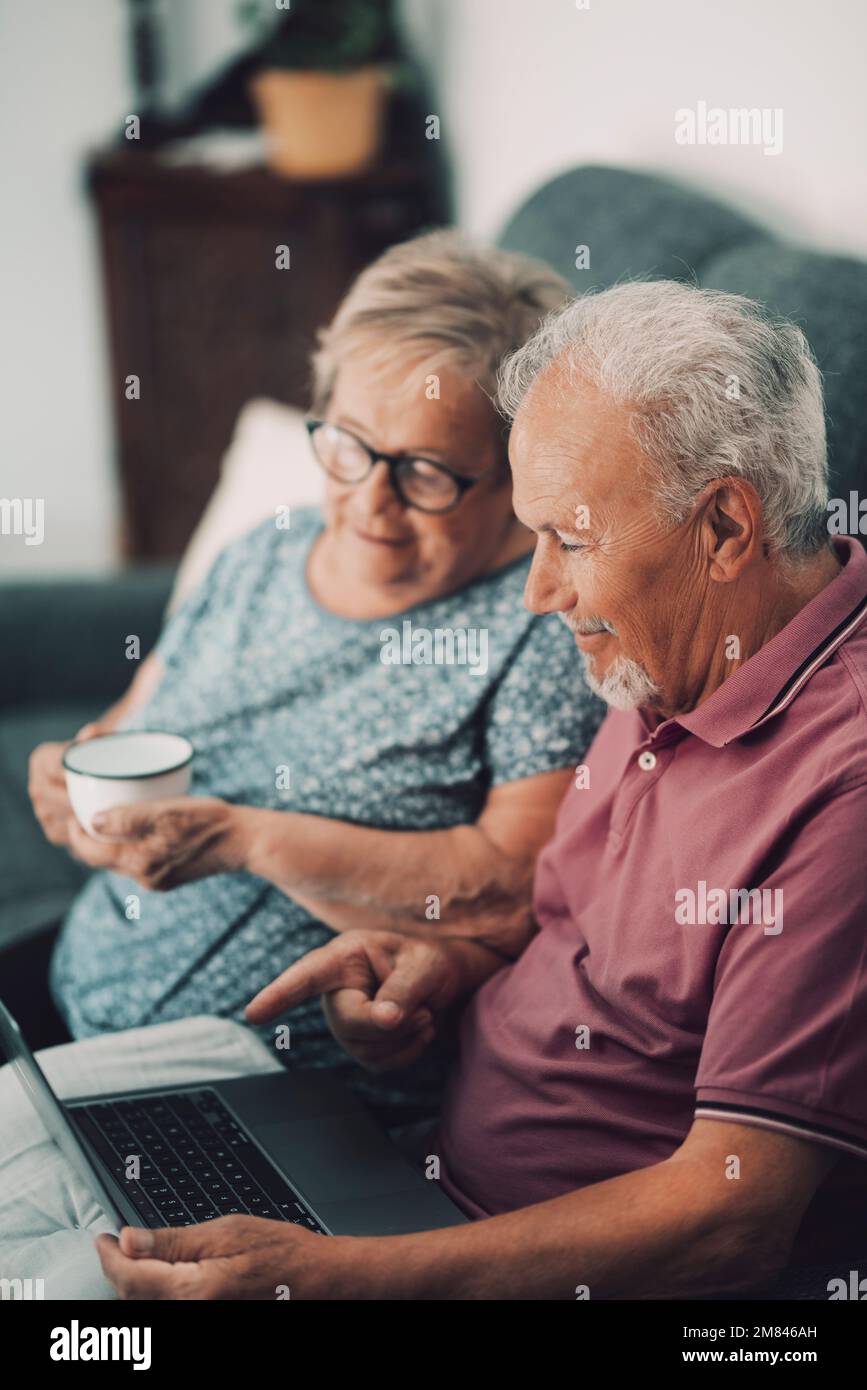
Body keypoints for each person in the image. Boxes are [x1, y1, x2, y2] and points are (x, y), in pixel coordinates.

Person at [87, 280, 867, 1299]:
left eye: (571, 541)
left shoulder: (837, 788)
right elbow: (579, 936)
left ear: (725, 525)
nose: (540, 593)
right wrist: (442, 966)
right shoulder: (679, 647)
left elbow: (732, 1218)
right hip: (417, 1194)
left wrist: (339, 1282)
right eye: (533, 535)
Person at [27, 232, 601, 1118]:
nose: (369, 502)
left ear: (516, 479)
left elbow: (509, 890)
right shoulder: (265, 553)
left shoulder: (537, 626)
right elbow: (131, 725)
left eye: (424, 473)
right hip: (66, 1009)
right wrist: (77, 778)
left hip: (255, 1100)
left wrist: (249, 839)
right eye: (348, 445)